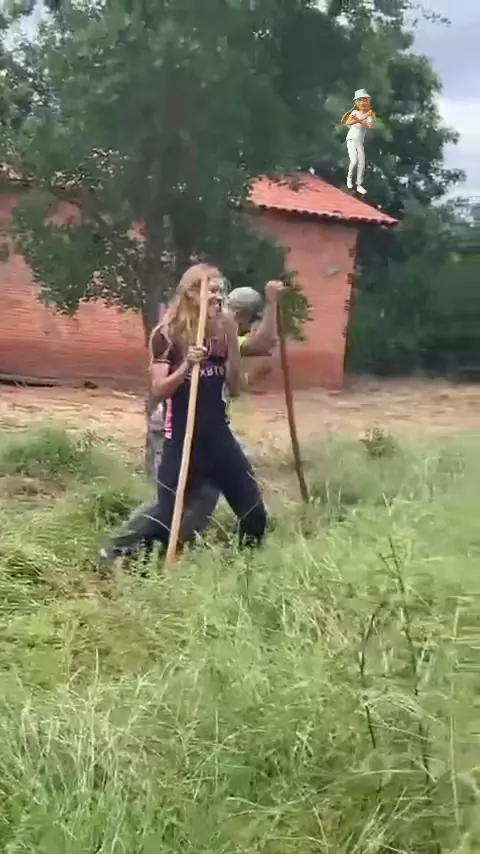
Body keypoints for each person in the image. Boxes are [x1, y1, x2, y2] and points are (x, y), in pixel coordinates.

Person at [98, 263, 268, 565]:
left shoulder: (224, 328)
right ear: (191, 293)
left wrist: (232, 350)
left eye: (221, 291)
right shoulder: (167, 335)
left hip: (219, 437)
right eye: (211, 291)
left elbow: (235, 388)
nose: (218, 297)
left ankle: (244, 569)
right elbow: (160, 389)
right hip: (181, 437)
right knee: (166, 512)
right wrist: (187, 366)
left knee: (254, 512)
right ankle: (117, 554)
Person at [340, 87, 376, 195]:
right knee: (354, 160)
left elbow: (369, 125)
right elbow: (348, 122)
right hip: (351, 138)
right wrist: (358, 120)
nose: (363, 102)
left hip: (360, 141)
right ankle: (349, 179)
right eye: (360, 100)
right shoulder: (355, 112)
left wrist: (360, 121)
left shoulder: (369, 115)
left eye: (364, 100)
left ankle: (359, 184)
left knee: (362, 162)